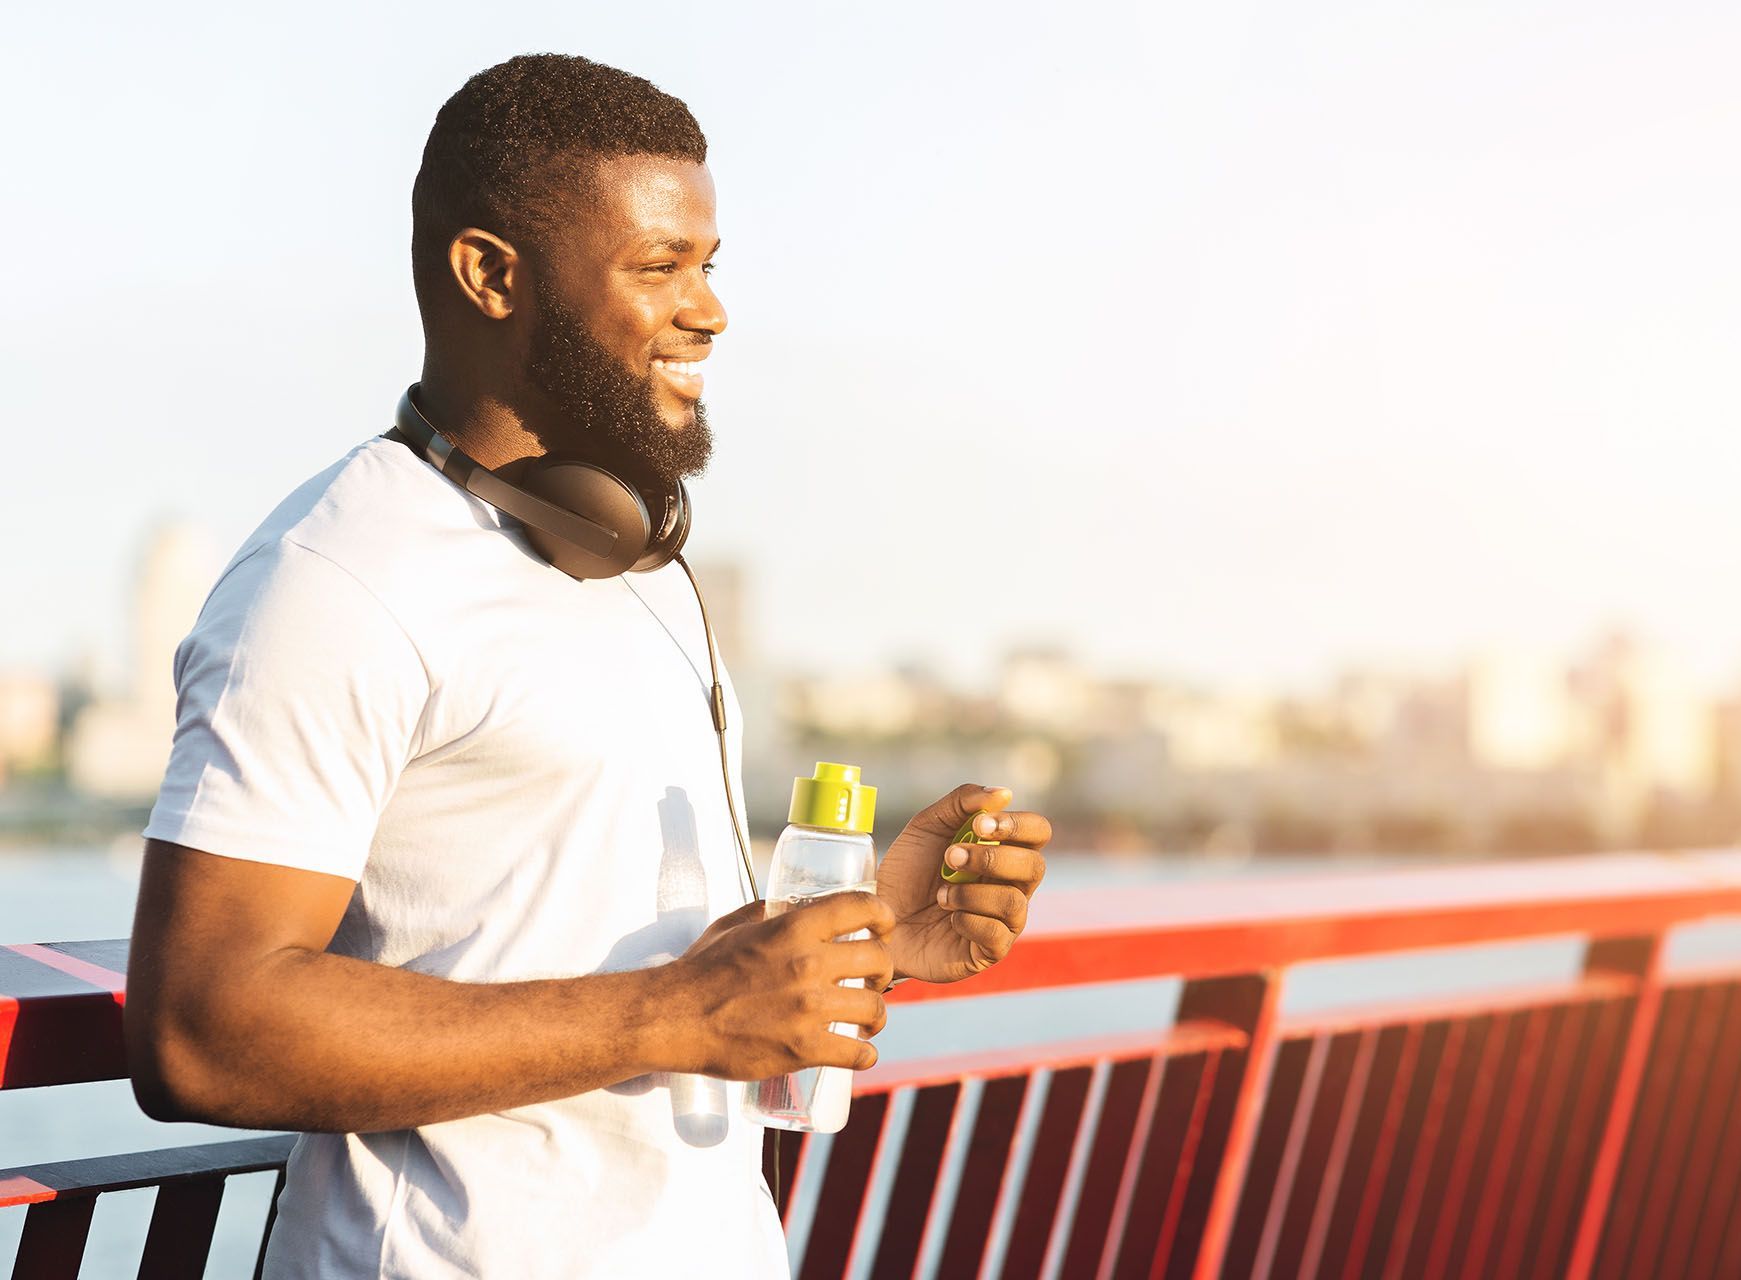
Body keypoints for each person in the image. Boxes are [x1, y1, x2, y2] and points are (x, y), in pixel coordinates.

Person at [123, 53, 1049, 1279]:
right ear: (490, 273)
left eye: (708, 265)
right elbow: (202, 1026)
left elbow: (581, 929)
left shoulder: (639, 566)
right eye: (660, 267)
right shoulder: (336, 576)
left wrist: (862, 930)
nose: (709, 309)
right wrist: (679, 1011)